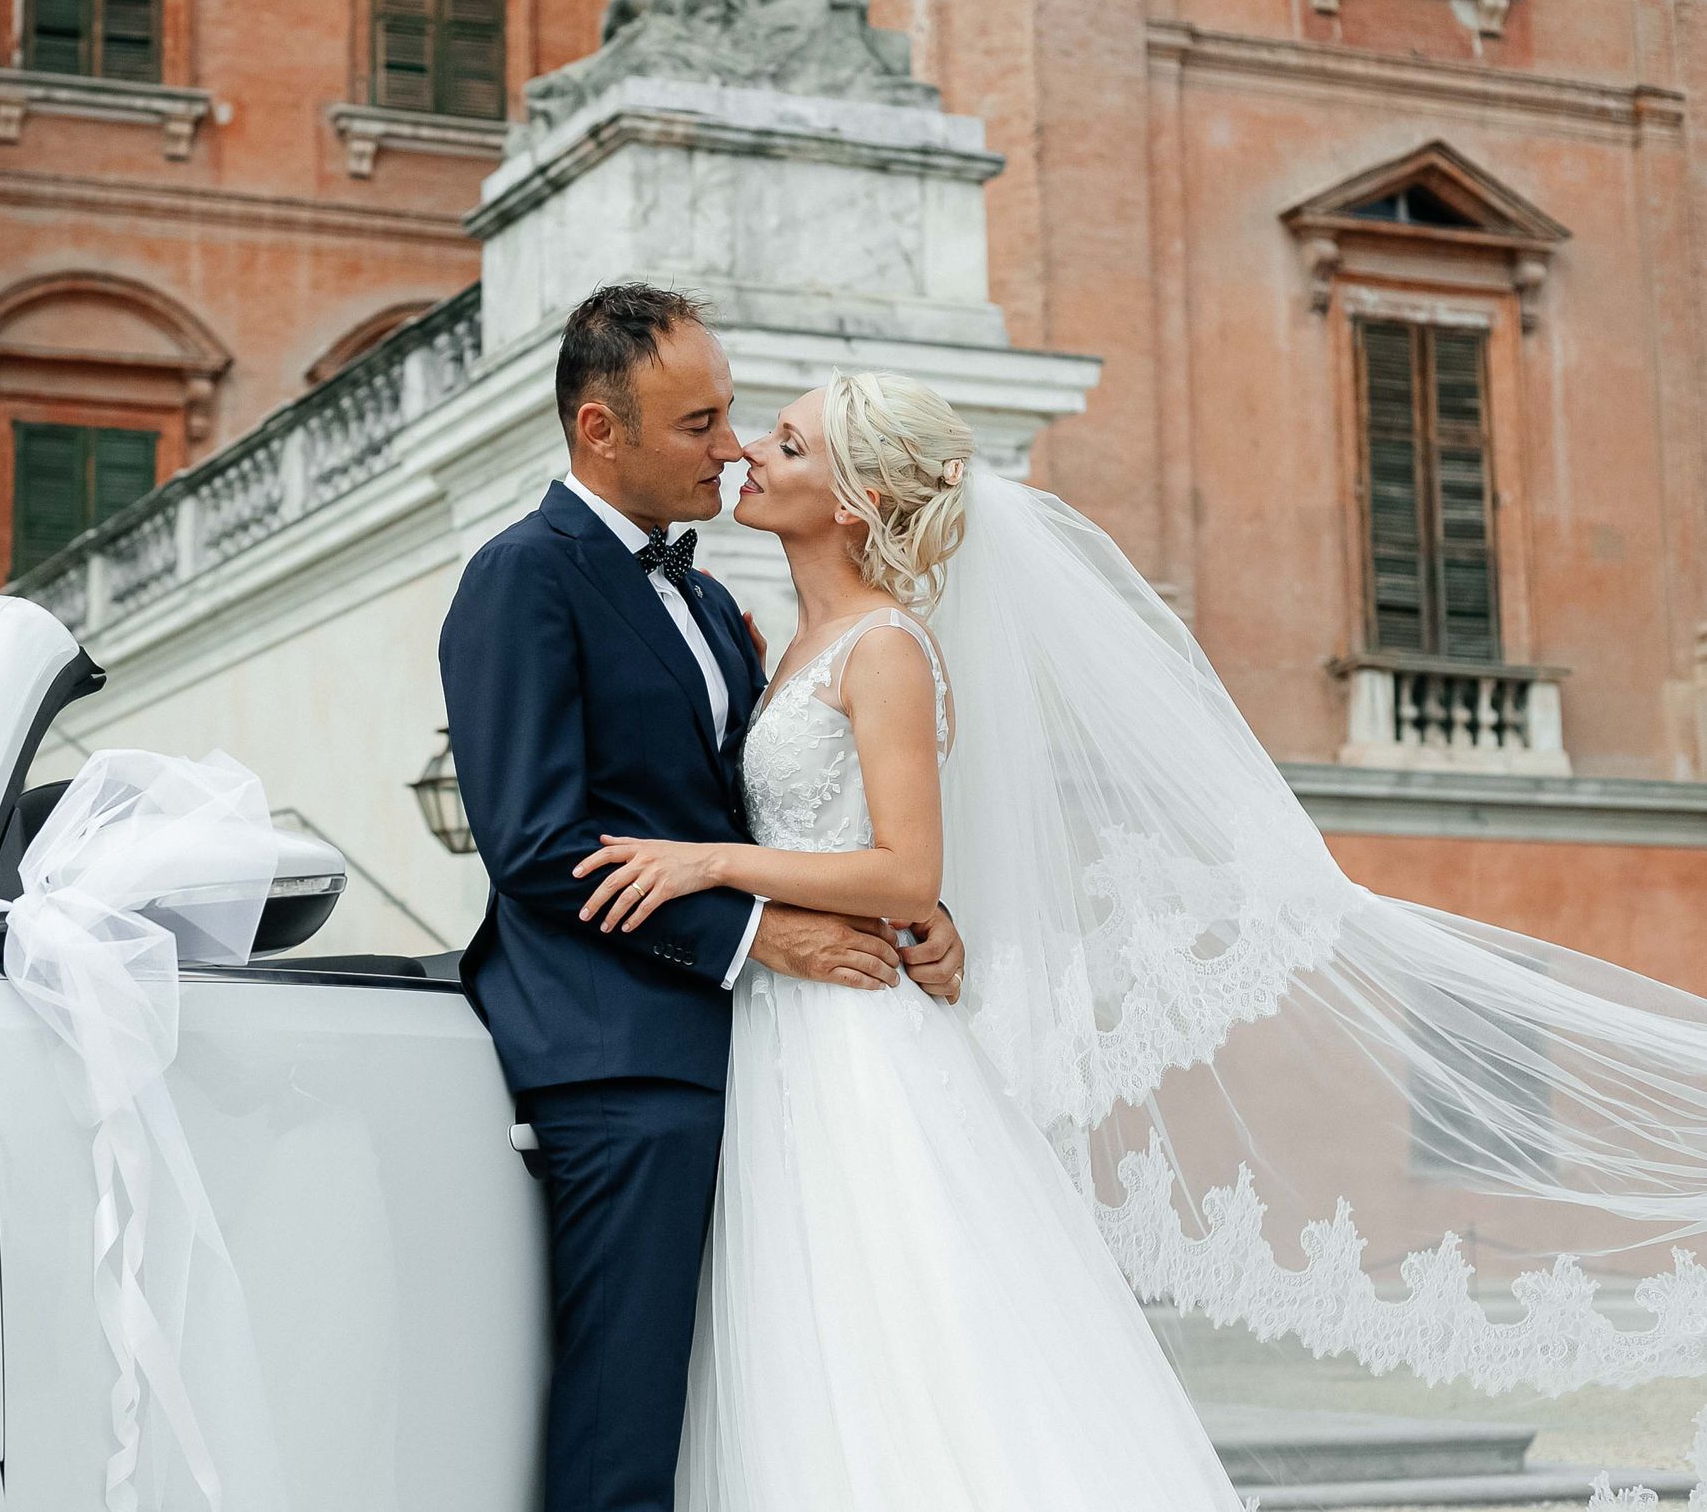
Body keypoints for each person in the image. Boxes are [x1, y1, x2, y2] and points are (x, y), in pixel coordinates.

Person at [579, 366, 1707, 1507]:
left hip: (855, 1045)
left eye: (785, 446)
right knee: (810, 1331)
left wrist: (713, 864)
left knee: (893, 1328)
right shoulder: (785, 644)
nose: (748, 458)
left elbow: (907, 868)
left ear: (860, 498)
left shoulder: (883, 649)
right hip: (786, 1030)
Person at [436, 285, 967, 1512]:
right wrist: (754, 931)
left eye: (737, 420)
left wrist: (907, 914)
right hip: (619, 1062)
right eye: (699, 423)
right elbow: (533, 845)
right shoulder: (522, 578)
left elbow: (776, 814)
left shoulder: (725, 612)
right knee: (625, 1428)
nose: (729, 447)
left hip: (767, 1059)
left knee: (759, 1408)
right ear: (598, 430)